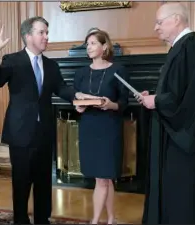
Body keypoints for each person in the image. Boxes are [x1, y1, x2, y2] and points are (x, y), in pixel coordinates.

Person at [0, 17, 99, 224]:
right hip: (20, 132)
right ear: (28, 36)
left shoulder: (51, 65)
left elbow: (61, 88)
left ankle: (42, 219)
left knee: (43, 181)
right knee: (21, 182)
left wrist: (77, 97)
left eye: (47, 32)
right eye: (42, 32)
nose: (46, 36)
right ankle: (20, 219)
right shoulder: (12, 60)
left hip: (44, 131)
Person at [138, 3, 195, 224]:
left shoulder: (193, 47)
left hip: (187, 144)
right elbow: (177, 91)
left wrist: (157, 101)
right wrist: (153, 96)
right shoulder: (181, 48)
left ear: (177, 19)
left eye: (160, 22)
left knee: (185, 197)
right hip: (176, 139)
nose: (155, 28)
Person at [74, 30, 129, 224]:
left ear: (104, 46)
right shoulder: (80, 73)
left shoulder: (118, 70)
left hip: (109, 128)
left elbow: (124, 102)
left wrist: (109, 104)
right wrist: (79, 107)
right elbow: (76, 102)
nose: (88, 47)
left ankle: (95, 221)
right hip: (89, 128)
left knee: (104, 178)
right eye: (87, 44)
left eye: (93, 43)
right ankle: (111, 218)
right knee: (104, 178)